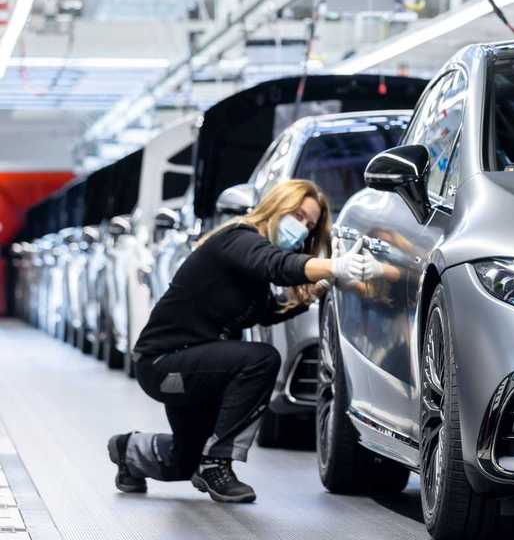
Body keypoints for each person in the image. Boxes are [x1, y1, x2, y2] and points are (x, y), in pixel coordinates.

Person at [107, 179, 378, 503]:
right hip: (163, 364)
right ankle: (217, 463)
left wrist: (313, 293)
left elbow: (264, 312)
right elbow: (277, 265)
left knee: (184, 460)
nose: (302, 229)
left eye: (309, 225)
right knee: (262, 359)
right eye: (298, 215)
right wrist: (334, 266)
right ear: (276, 207)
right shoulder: (238, 237)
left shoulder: (251, 270)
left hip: (196, 366)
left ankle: (127, 451)